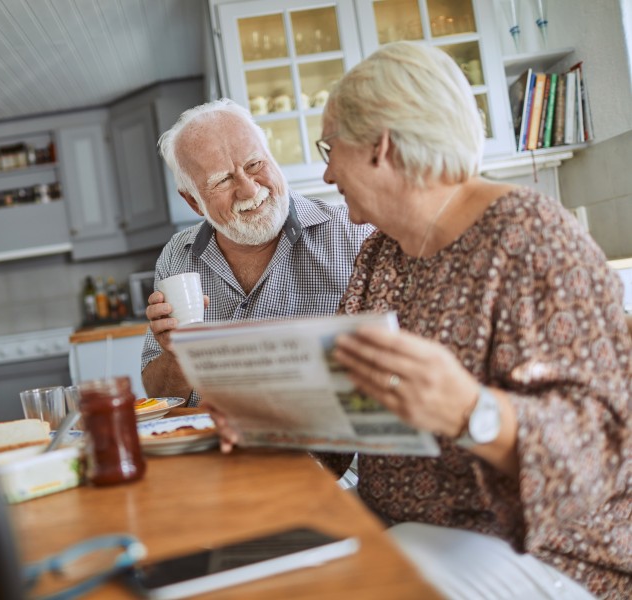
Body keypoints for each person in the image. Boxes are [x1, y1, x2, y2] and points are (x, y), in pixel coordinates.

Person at [213, 41, 630, 598]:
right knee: (246, 564)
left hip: (548, 550)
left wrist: (470, 410)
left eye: (331, 147)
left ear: (381, 148)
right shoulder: (380, 255)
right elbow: (345, 415)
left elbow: (601, 450)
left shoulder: (531, 239)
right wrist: (266, 425)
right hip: (404, 525)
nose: (327, 170)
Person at [141, 99, 373, 405]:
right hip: (210, 448)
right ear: (194, 202)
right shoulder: (177, 256)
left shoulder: (354, 235)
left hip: (321, 448)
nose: (249, 190)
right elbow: (161, 398)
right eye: (223, 180)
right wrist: (176, 354)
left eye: (255, 165)